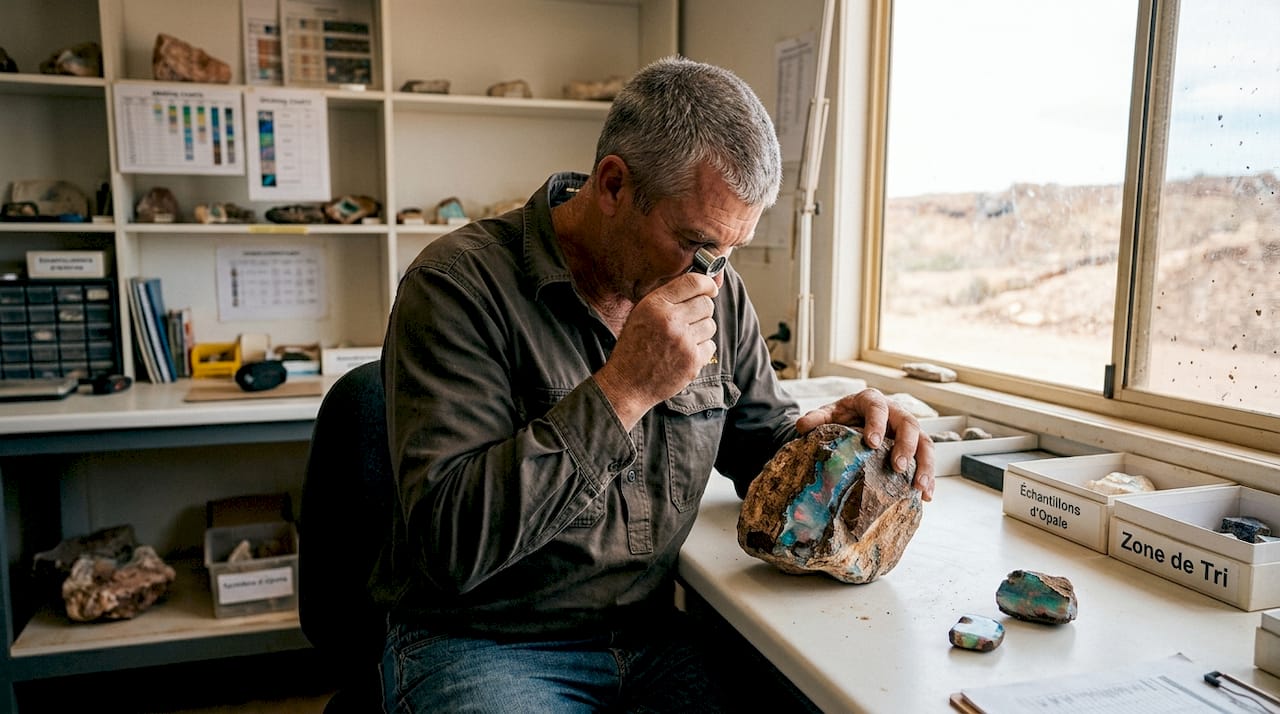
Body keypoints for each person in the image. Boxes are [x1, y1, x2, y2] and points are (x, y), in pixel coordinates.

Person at [378, 55, 935, 712]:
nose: (710, 278)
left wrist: (839, 439)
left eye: (729, 253)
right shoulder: (456, 288)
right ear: (613, 185)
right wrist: (625, 390)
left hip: (652, 634)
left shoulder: (716, 293)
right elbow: (451, 545)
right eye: (696, 244)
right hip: (485, 641)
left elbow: (761, 445)